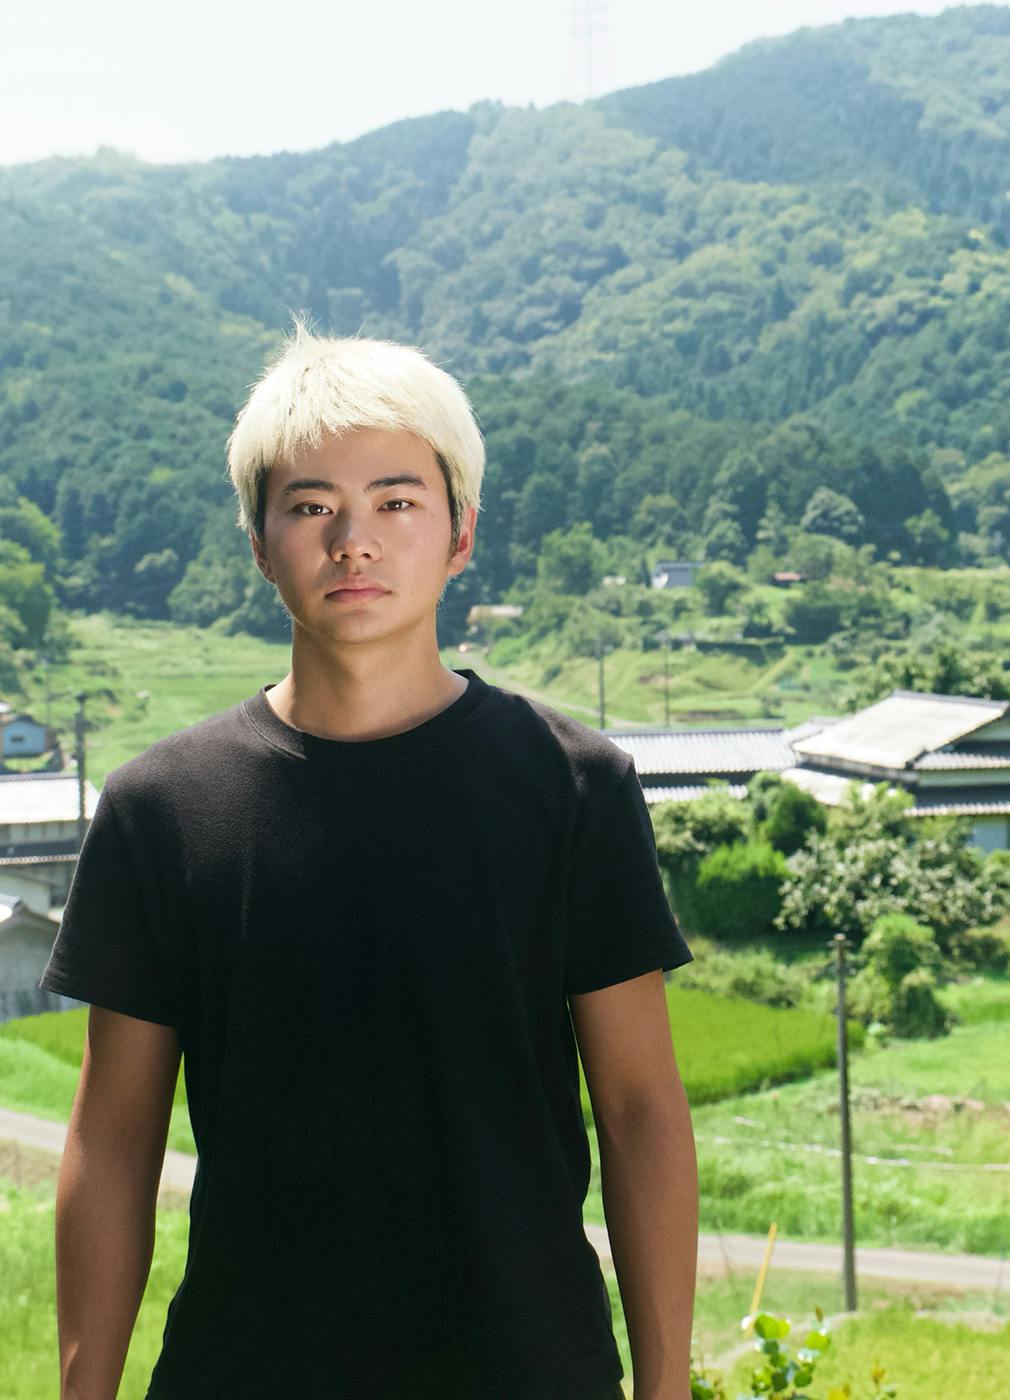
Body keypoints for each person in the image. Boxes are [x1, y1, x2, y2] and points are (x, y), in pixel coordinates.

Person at [40, 325, 698, 1400]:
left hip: (529, 1370)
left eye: (397, 502)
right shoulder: (162, 808)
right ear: (260, 543)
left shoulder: (571, 785)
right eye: (311, 508)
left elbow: (640, 1111)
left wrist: (666, 1387)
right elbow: (113, 1137)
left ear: (460, 533)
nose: (354, 542)